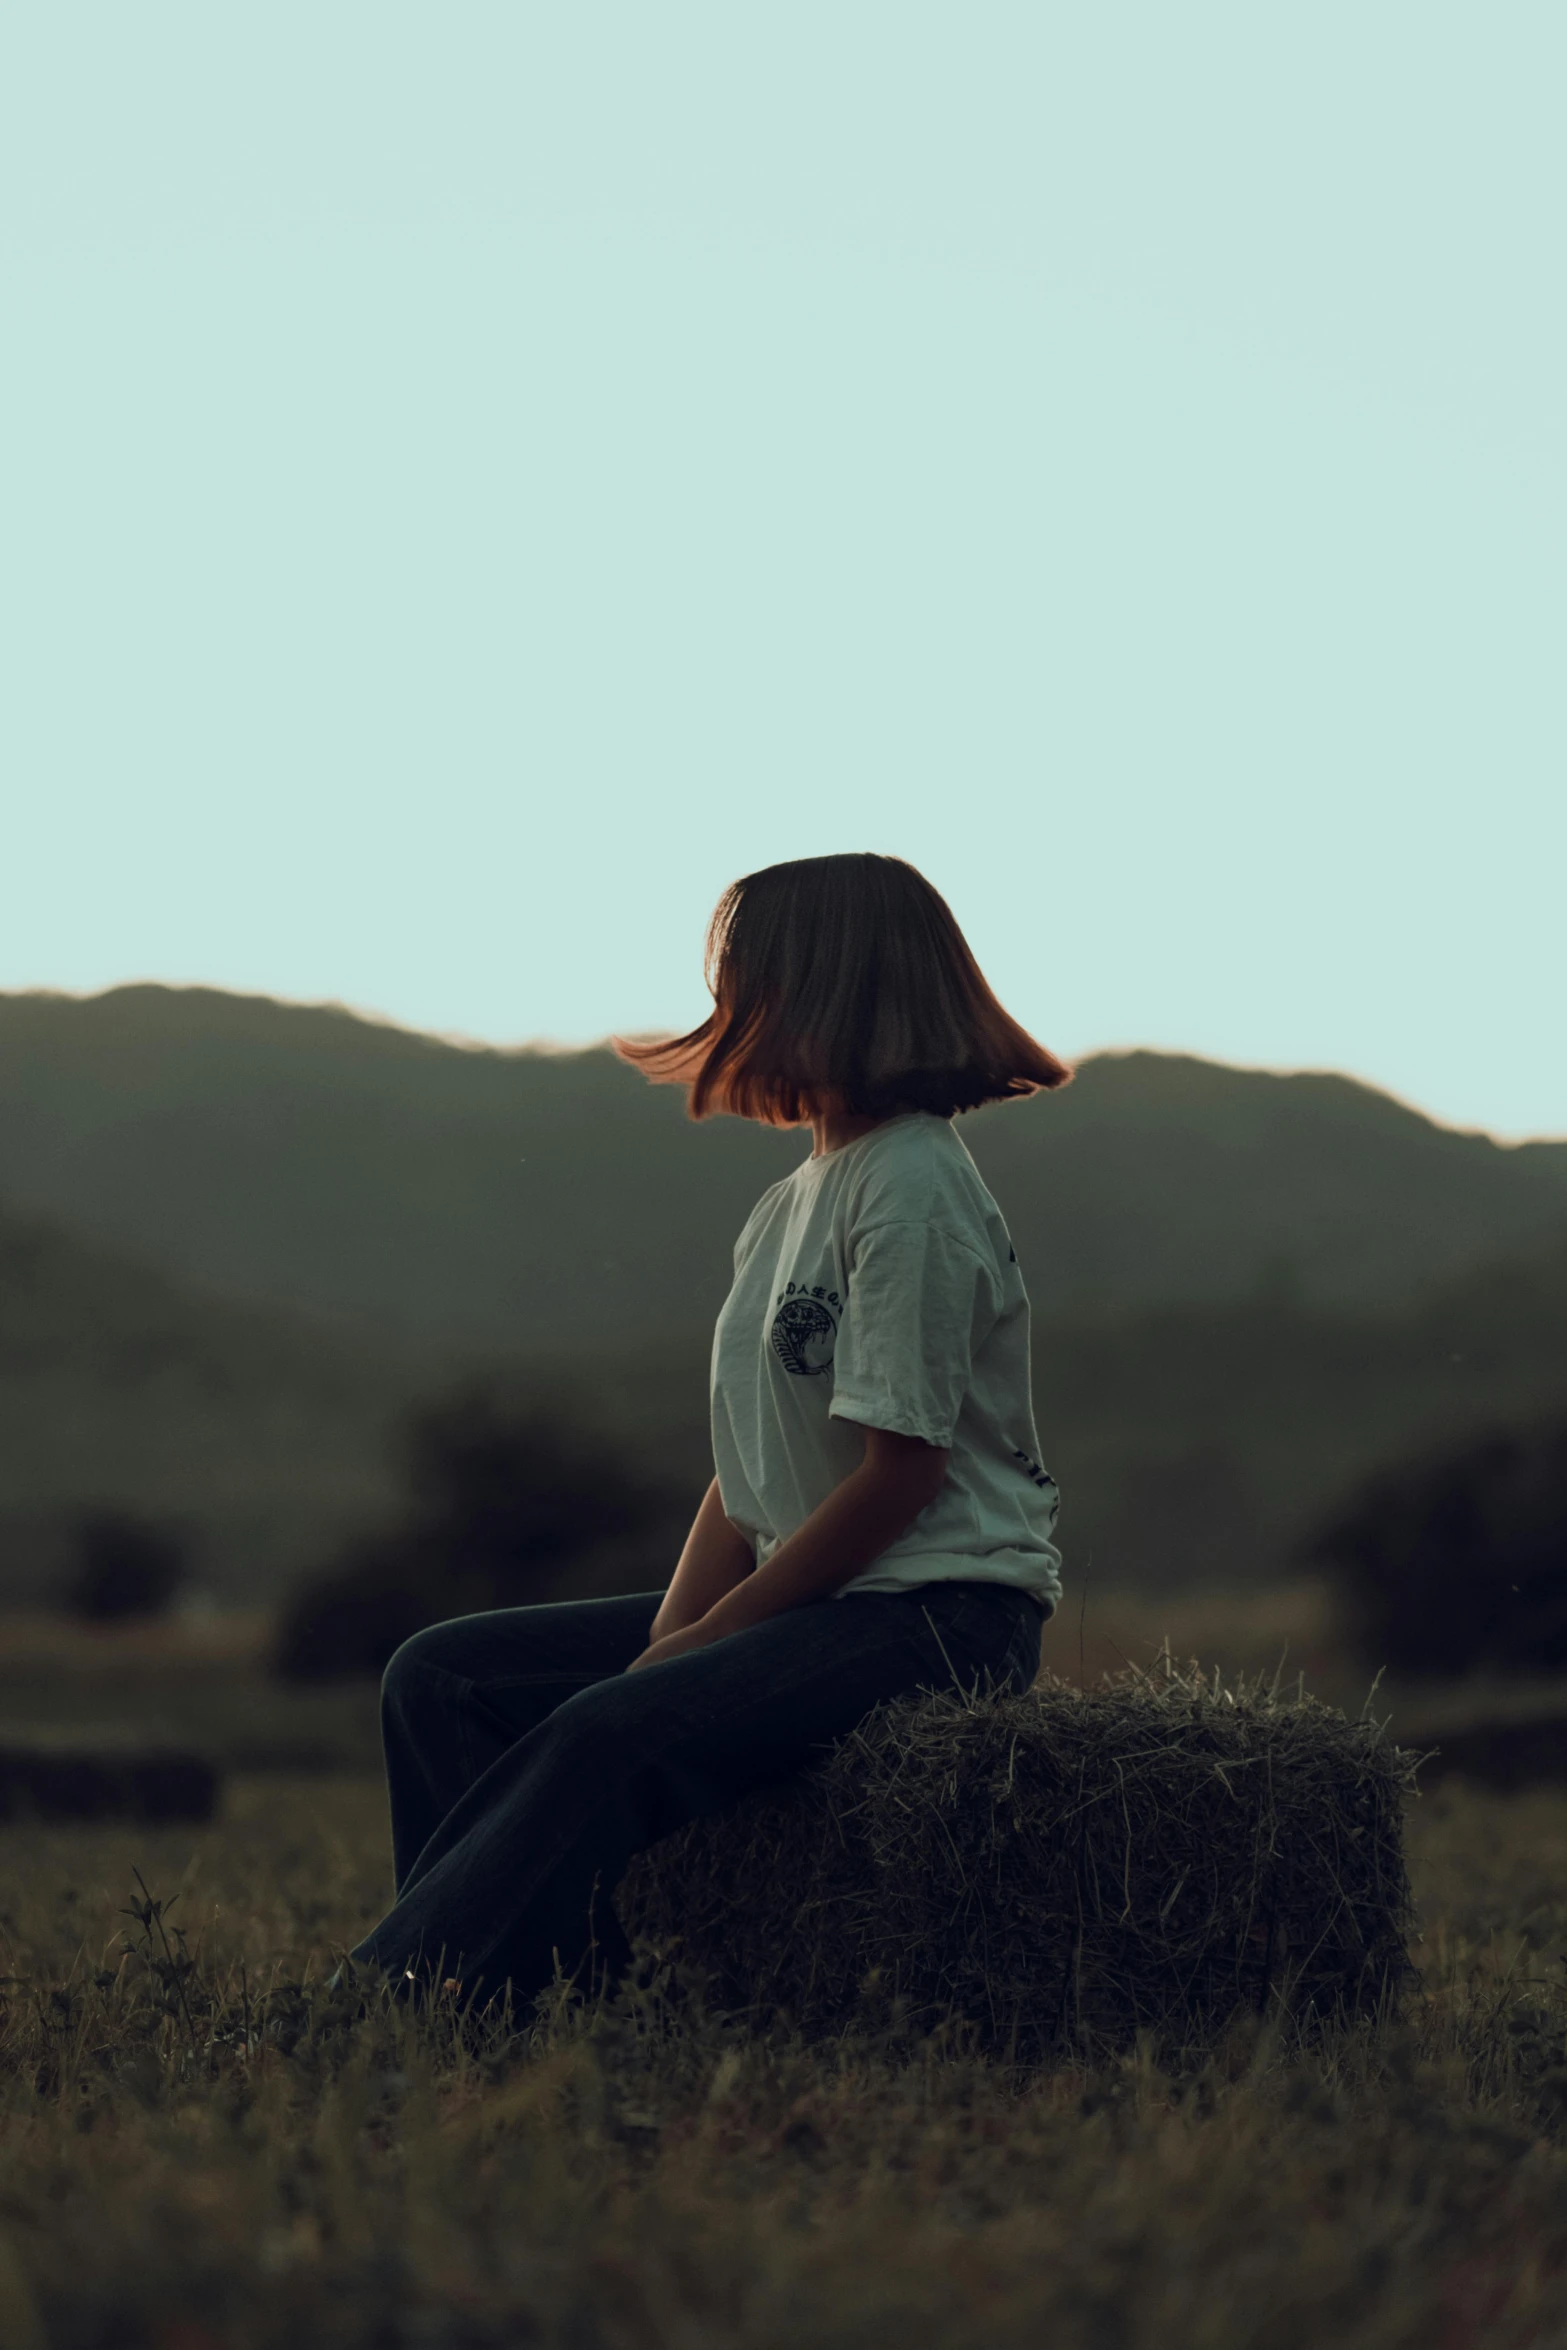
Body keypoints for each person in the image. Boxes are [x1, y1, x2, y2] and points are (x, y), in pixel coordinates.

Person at [349, 852, 1071, 2006]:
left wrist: (704, 1643)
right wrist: (679, 1626)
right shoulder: (789, 1202)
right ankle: (528, 2000)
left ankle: (392, 2002)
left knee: (611, 1736)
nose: (727, 1013)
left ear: (825, 988)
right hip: (822, 1596)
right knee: (441, 1678)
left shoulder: (916, 1185)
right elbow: (743, 1469)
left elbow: (901, 1477)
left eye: (746, 982)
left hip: (935, 1610)